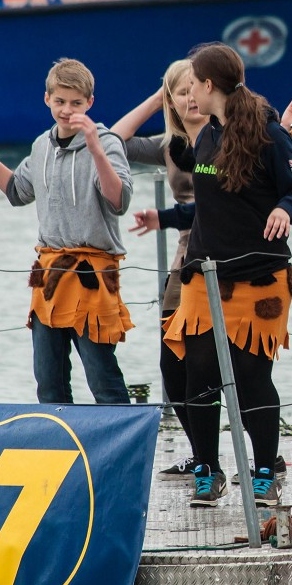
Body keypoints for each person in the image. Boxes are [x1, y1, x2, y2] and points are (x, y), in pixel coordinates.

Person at [132, 42, 292, 508]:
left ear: (209, 85)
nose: (188, 91)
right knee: (198, 377)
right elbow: (210, 202)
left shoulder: (269, 135)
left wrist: (282, 208)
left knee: (253, 378)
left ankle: (266, 469)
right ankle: (208, 470)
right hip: (204, 276)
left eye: (192, 82)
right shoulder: (207, 137)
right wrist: (165, 217)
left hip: (259, 278)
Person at [0, 58, 132, 405]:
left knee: (101, 374)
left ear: (90, 103)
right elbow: (17, 191)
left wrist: (94, 149)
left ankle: (122, 454)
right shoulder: (40, 146)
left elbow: (119, 200)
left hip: (95, 272)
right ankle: (62, 451)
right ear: (47, 99)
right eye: (60, 101)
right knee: (48, 380)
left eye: (76, 103)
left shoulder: (107, 143)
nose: (67, 110)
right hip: (48, 274)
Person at [111, 60, 208, 480]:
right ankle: (202, 452)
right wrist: (158, 98)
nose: (190, 99)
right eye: (179, 92)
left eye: (195, 88)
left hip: (226, 261)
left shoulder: (229, 139)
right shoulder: (170, 144)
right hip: (183, 264)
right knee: (174, 364)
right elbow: (113, 139)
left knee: (232, 365)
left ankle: (260, 452)